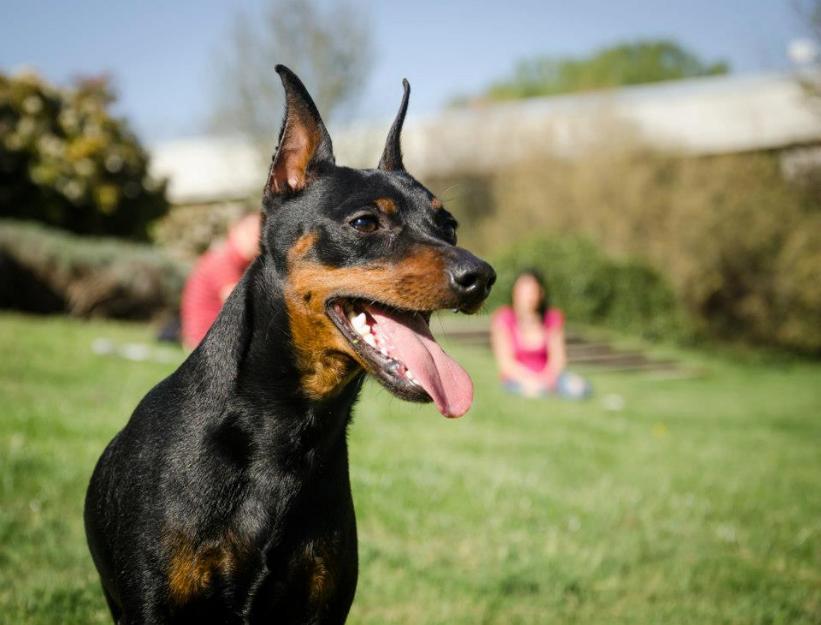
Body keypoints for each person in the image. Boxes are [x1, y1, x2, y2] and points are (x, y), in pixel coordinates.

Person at [491, 269, 590, 399]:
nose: (526, 297)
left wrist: (546, 378)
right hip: (517, 378)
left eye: (531, 291)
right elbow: (506, 364)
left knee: (580, 389)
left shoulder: (552, 318)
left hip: (549, 377)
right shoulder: (503, 319)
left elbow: (558, 359)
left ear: (540, 293)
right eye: (522, 291)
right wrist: (530, 379)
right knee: (534, 392)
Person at [180, 212, 262, 348]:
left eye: (260, 233)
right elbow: (241, 304)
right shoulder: (222, 260)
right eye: (249, 232)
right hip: (206, 340)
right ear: (233, 229)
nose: (255, 238)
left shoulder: (246, 263)